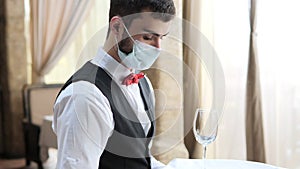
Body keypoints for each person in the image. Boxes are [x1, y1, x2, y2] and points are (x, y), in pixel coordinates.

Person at [52, 0, 176, 168]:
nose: (157, 48)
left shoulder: (143, 83)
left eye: (161, 37)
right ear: (117, 27)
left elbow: (140, 158)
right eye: (148, 37)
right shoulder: (85, 96)